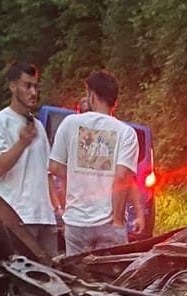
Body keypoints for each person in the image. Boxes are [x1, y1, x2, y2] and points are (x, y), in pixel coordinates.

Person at [49, 69, 144, 256]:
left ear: (91, 95)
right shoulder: (126, 133)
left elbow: (55, 167)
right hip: (108, 223)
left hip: (76, 222)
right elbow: (123, 177)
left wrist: (76, 179)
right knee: (111, 280)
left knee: (77, 278)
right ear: (115, 102)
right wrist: (117, 220)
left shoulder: (69, 124)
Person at [0, 61, 57, 257]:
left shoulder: (38, 127)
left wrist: (57, 209)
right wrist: (22, 143)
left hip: (45, 217)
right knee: (21, 281)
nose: (33, 92)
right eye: (27, 86)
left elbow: (46, 172)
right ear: (13, 86)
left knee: (54, 280)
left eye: (35, 86)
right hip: (17, 218)